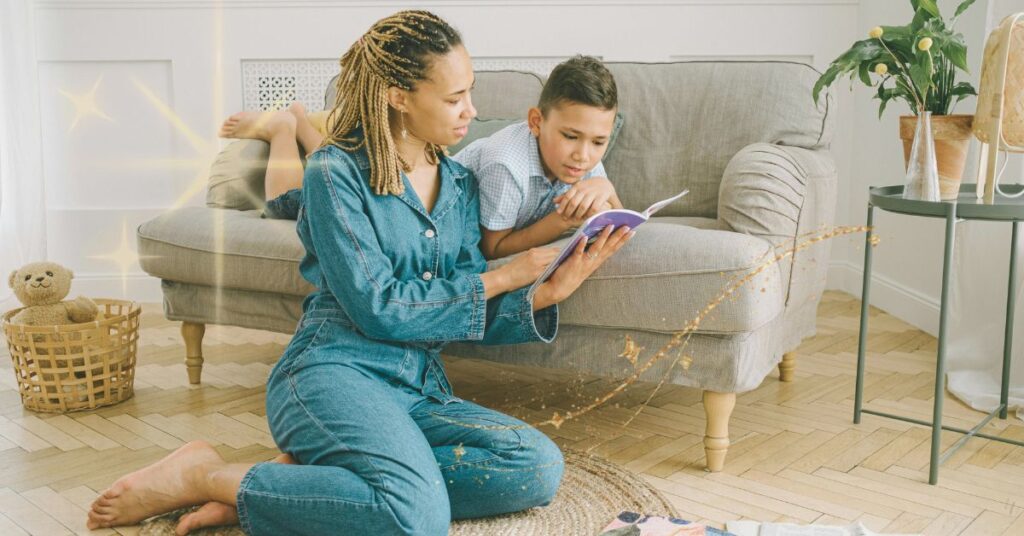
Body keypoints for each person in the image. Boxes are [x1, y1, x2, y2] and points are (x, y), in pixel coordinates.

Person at [86, 10, 633, 536]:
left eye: (469, 92)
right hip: (333, 372)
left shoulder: (461, 187)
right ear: (398, 96)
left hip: (416, 388)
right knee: (415, 518)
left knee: (535, 466)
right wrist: (506, 275)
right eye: (453, 97)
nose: (472, 110)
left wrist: (549, 291)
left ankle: (305, 491)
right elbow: (378, 305)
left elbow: (457, 317)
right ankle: (204, 475)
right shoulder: (333, 173)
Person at [453, 55, 622, 260]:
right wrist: (564, 219)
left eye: (598, 142)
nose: (583, 155)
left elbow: (623, 228)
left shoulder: (581, 159)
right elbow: (492, 250)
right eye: (570, 136)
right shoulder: (505, 165)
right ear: (536, 122)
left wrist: (607, 188)